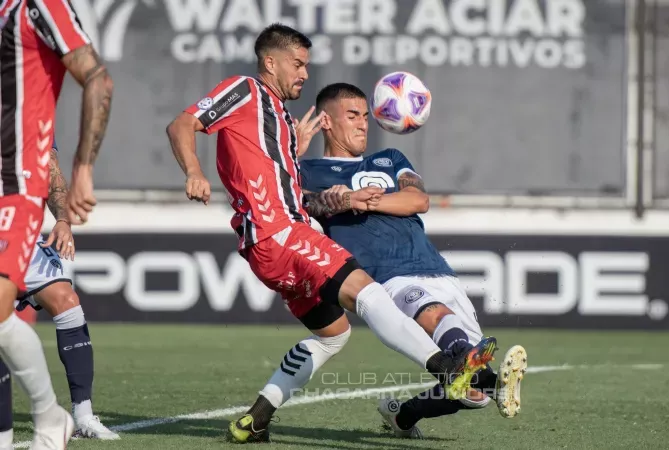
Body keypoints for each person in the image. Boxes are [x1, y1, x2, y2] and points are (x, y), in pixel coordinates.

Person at [165, 23, 497, 444]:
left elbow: (273, 177)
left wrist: (293, 151)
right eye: (297, 63)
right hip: (283, 231)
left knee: (332, 335)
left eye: (307, 65)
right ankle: (446, 367)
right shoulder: (246, 89)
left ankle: (257, 418)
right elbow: (182, 124)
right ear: (270, 61)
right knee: (369, 293)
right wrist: (193, 172)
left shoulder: (280, 119)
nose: (304, 73)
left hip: (264, 245)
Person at [301, 83, 528, 438]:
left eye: (365, 115)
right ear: (326, 121)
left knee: (472, 393)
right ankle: (477, 366)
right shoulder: (308, 170)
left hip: (436, 268)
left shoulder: (391, 159)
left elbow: (417, 200)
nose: (363, 124)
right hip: (385, 277)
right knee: (439, 319)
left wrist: (363, 200)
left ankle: (403, 416)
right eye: (352, 116)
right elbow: (298, 204)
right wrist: (324, 189)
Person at [0, 1, 113, 447]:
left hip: (14, 194)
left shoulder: (37, 7)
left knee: (62, 299)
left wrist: (74, 190)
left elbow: (98, 78)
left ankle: (63, 415)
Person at [0, 141, 119, 444]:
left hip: (17, 231)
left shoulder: (32, 106)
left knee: (67, 302)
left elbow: (50, 168)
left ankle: (83, 416)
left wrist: (63, 220)